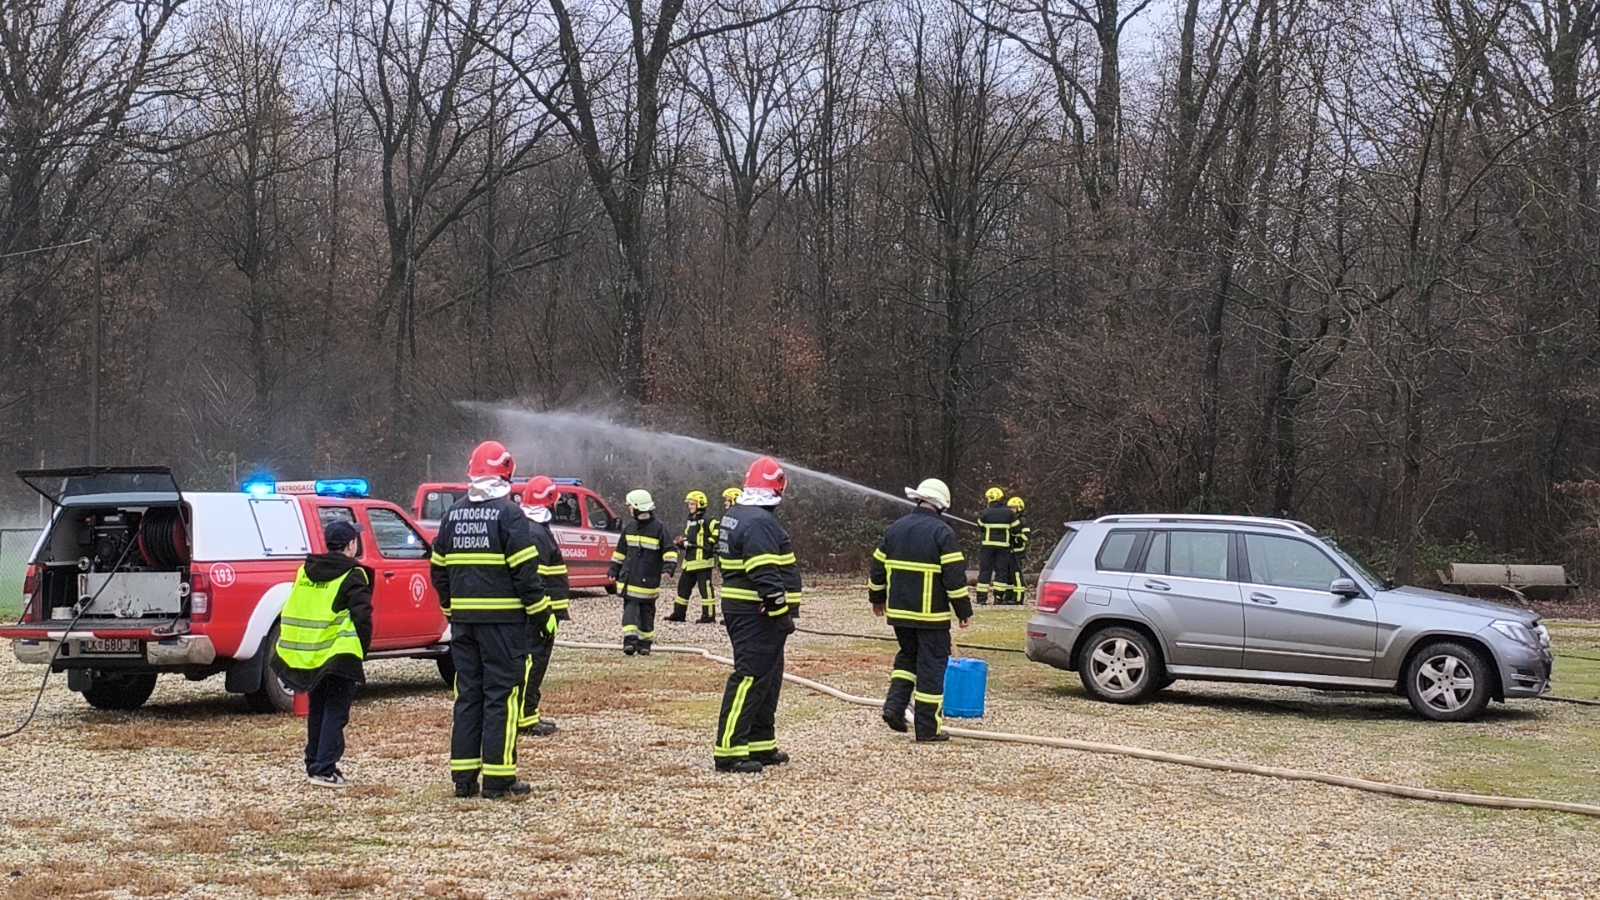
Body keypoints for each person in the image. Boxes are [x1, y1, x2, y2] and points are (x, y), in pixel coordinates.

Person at [430, 440, 546, 800]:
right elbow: (525, 570)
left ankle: (464, 779)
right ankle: (499, 779)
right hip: (503, 624)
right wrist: (540, 611)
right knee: (502, 695)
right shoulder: (509, 514)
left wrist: (451, 608)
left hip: (463, 623)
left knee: (468, 695)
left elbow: (438, 570)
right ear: (506, 472)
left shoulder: (452, 514)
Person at [713, 457, 802, 773]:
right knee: (750, 676)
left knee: (768, 677)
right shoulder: (760, 523)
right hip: (757, 612)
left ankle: (760, 744)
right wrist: (780, 609)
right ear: (777, 488)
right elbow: (763, 569)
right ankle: (729, 750)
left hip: (749, 609)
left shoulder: (737, 514)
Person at [869, 478, 972, 742]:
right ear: (941, 505)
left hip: (900, 614)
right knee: (931, 667)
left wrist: (877, 598)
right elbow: (955, 579)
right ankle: (927, 729)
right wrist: (963, 610)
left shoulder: (895, 529)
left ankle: (894, 708)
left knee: (907, 659)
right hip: (931, 617)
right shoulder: (943, 533)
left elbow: (877, 567)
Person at [273, 519, 373, 788]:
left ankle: (314, 762)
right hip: (340, 653)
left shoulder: (305, 571)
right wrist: (362, 648)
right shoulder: (354, 574)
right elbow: (362, 616)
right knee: (336, 711)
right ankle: (324, 768)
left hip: (311, 653)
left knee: (318, 707)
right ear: (352, 544)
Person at [517, 476, 569, 737]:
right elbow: (533, 581)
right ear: (549, 502)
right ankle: (525, 717)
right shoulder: (535, 533)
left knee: (534, 663)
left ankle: (528, 714)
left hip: (542, 613)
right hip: (538, 616)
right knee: (532, 664)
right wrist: (544, 615)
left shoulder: (533, 528)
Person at [610, 489, 677, 656]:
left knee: (647, 613)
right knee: (630, 611)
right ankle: (630, 642)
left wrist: (669, 567)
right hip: (630, 580)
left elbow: (670, 550)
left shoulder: (659, 529)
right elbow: (620, 551)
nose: (629, 509)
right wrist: (614, 568)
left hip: (648, 580)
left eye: (630, 506)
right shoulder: (630, 527)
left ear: (638, 508)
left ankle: (645, 644)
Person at [667, 490, 717, 624]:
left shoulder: (708, 520)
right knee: (682, 588)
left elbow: (718, 533)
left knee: (705, 590)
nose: (689, 506)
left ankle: (709, 616)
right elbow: (690, 539)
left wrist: (709, 544)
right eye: (689, 504)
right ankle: (679, 614)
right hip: (689, 562)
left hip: (703, 562)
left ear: (700, 504)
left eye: (692, 503)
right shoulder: (690, 522)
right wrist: (682, 543)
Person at [975, 486, 1017, 606]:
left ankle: (981, 599)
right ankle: (998, 597)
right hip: (1004, 547)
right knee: (1001, 571)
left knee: (985, 571)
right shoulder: (1009, 513)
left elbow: (980, 526)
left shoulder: (985, 513)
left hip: (987, 547)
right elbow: (1015, 528)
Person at [1006, 496, 1031, 605]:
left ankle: (1018, 598)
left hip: (1017, 552)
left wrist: (1015, 538)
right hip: (1010, 552)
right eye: (1010, 508)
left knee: (1016, 575)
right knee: (1009, 575)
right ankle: (1009, 596)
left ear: (1019, 508)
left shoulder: (1022, 521)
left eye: (1013, 508)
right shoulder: (1010, 520)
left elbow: (1025, 537)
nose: (1011, 510)